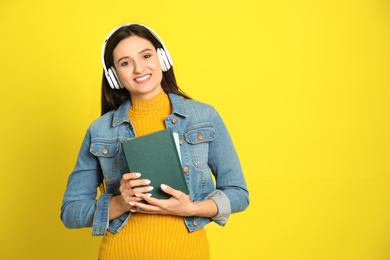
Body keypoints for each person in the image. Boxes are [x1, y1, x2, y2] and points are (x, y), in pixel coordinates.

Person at [61, 23, 249, 260]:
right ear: (114, 75)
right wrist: (121, 202)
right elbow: (70, 212)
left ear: (163, 58)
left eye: (146, 56)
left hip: (188, 253)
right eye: (125, 63)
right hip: (120, 252)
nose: (139, 68)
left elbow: (238, 194)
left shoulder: (204, 116)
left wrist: (191, 208)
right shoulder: (100, 130)